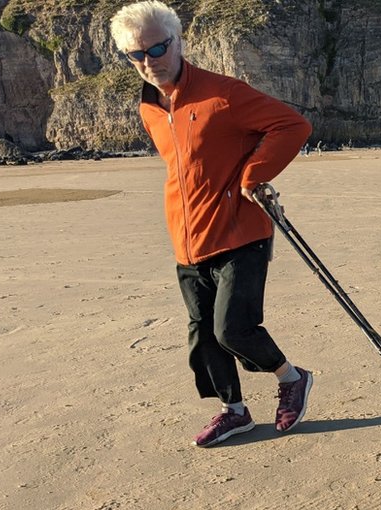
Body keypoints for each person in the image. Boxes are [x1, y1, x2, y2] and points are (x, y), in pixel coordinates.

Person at [110, 1, 314, 447]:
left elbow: (291, 125)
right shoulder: (149, 107)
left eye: (157, 48)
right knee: (203, 337)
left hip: (240, 233)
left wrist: (253, 175)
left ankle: (292, 378)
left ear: (178, 40)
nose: (149, 61)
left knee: (232, 329)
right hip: (187, 241)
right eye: (136, 55)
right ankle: (234, 412)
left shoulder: (223, 93)